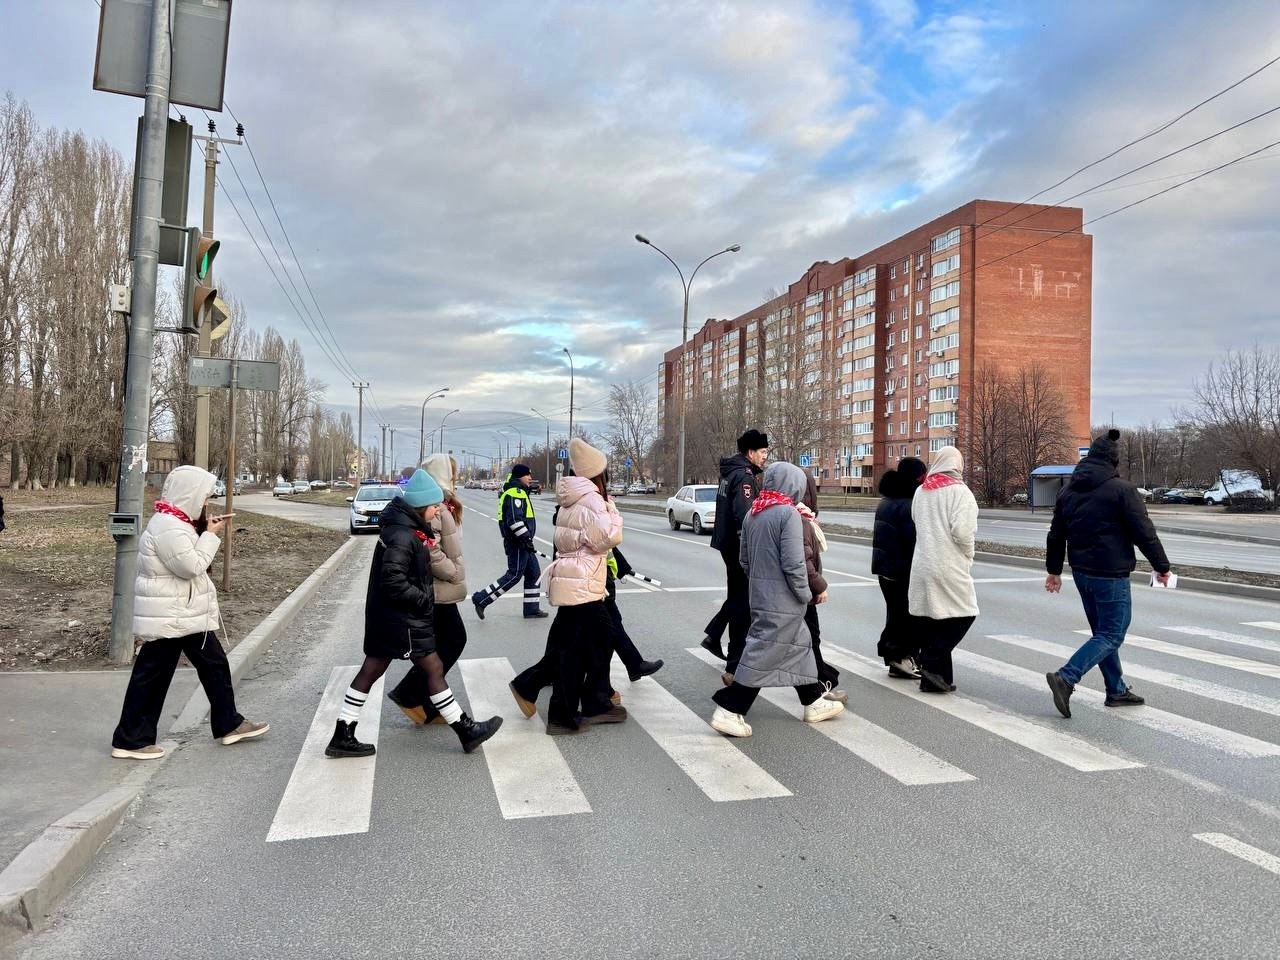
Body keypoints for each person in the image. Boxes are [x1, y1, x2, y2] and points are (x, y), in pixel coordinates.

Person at [326, 469, 502, 757]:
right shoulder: (403, 536)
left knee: (374, 670)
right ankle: (466, 730)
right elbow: (393, 580)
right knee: (430, 669)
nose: (437, 511)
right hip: (401, 619)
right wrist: (423, 600)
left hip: (389, 617)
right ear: (421, 507)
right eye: (434, 506)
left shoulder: (404, 529)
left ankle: (343, 732)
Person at [111, 466, 267, 760]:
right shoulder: (168, 527)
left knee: (214, 666)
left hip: (183, 614)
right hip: (172, 616)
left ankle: (229, 724)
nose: (206, 502)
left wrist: (203, 529)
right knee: (152, 677)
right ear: (189, 495)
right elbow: (191, 566)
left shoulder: (176, 523)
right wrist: (210, 535)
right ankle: (130, 740)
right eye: (204, 496)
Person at [710, 461, 844, 738]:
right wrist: (806, 594)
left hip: (761, 595)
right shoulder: (788, 514)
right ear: (794, 486)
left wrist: (762, 582)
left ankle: (813, 701)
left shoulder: (754, 513)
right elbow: (794, 565)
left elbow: (744, 560)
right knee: (763, 654)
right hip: (784, 600)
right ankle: (729, 709)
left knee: (798, 647)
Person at [1045, 429, 1172, 717]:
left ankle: (1116, 690)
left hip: (1082, 573)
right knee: (1112, 634)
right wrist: (1162, 566)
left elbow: (1056, 534)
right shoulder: (1122, 490)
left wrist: (1054, 570)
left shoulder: (1067, 491)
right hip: (1110, 574)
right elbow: (1144, 532)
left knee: (1102, 634)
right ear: (1113, 461)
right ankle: (1067, 676)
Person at [528, 438, 625, 734]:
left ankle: (593, 702)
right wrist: (613, 512)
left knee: (593, 640)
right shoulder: (593, 499)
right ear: (598, 473)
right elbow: (606, 539)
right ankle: (564, 714)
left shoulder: (571, 496)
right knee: (580, 647)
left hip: (574, 578)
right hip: (583, 581)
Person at [509, 540, 662, 717]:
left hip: (585, 574)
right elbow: (601, 536)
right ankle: (538, 688)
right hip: (587, 576)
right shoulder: (586, 522)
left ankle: (599, 694)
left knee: (583, 636)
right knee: (589, 638)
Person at [387, 454, 468, 725]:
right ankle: (411, 694)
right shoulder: (435, 505)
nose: (455, 477)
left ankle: (424, 700)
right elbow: (429, 549)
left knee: (442, 644)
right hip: (435, 587)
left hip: (439, 588)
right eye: (453, 472)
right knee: (453, 641)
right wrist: (453, 572)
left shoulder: (443, 502)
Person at [908, 446, 979, 694]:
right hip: (949, 564)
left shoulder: (921, 491)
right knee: (965, 613)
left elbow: (915, 520)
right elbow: (963, 532)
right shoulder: (961, 493)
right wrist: (969, 554)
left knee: (935, 619)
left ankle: (936, 679)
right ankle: (930, 660)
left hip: (922, 563)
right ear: (958, 465)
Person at [702, 429, 769, 682]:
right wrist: (752, 549)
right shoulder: (743, 477)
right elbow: (746, 515)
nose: (765, 456)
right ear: (750, 452)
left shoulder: (731, 472)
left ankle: (714, 635)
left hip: (728, 544)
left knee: (738, 596)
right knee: (742, 604)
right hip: (739, 547)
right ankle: (735, 661)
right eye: (762, 452)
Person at [871, 457, 928, 678]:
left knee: (895, 614)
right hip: (902, 569)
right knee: (908, 617)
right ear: (915, 477)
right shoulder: (909, 504)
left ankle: (896, 659)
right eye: (922, 475)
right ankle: (901, 658)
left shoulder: (887, 500)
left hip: (886, 568)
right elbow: (913, 540)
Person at [471, 464, 547, 620]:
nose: (530, 478)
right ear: (519, 476)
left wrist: (527, 540)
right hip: (517, 542)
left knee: (534, 574)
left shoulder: (519, 491)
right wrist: (526, 539)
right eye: (527, 475)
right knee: (514, 575)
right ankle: (481, 598)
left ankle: (531, 609)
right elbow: (514, 520)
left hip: (523, 542)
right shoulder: (515, 493)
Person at [799, 473, 845, 703]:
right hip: (798, 593)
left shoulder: (767, 511)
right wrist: (818, 586)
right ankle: (735, 696)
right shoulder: (799, 519)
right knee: (807, 639)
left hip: (784, 592)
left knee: (800, 641)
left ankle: (819, 685)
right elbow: (803, 560)